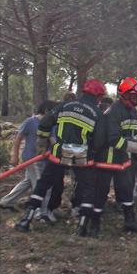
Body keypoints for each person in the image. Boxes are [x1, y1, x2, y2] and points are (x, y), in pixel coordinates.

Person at [15, 79, 106, 235]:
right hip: (82, 156)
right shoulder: (97, 113)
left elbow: (45, 124)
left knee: (43, 184)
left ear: (83, 92)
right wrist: (93, 152)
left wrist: (42, 142)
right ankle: (82, 226)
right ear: (98, 96)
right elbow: (100, 140)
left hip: (59, 153)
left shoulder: (64, 106)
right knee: (88, 188)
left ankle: (26, 219)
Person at [90, 78, 137, 237]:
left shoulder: (132, 111)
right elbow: (113, 139)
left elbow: (134, 132)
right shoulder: (113, 111)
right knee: (101, 192)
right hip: (107, 159)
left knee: (127, 190)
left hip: (122, 159)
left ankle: (130, 222)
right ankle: (94, 225)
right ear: (124, 94)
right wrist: (136, 147)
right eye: (134, 95)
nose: (136, 98)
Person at [0, 100, 58, 215]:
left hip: (43, 159)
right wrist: (15, 156)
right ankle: (39, 212)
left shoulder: (51, 124)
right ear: (46, 111)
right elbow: (18, 139)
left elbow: (53, 140)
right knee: (41, 184)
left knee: (28, 182)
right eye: (53, 111)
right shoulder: (30, 122)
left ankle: (6, 202)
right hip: (32, 159)